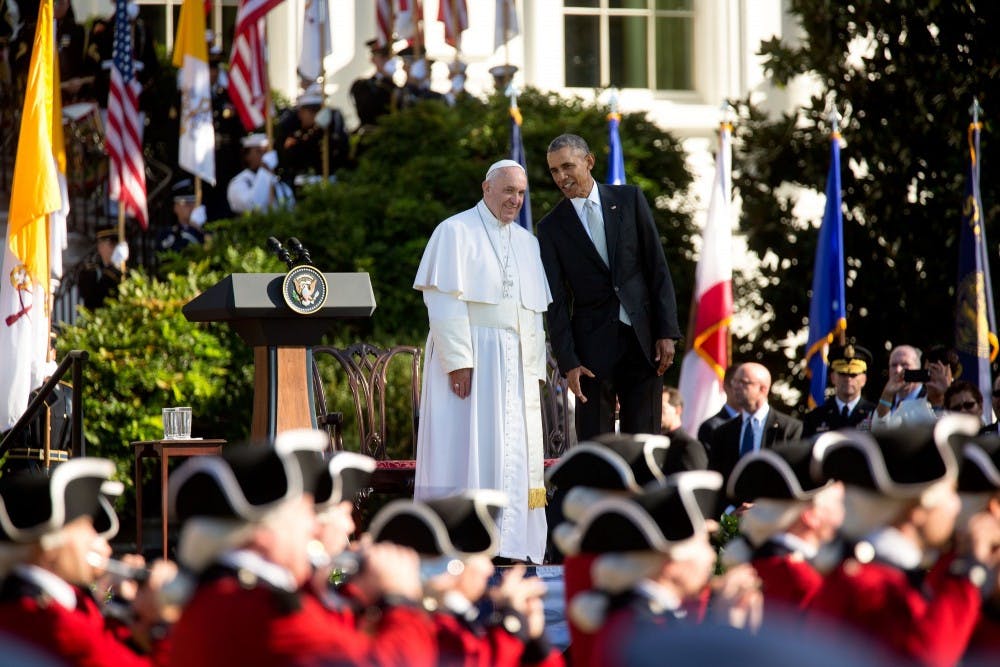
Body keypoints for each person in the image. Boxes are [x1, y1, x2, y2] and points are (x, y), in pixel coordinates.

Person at [167, 437, 436, 667]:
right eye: (304, 513)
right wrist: (401, 599)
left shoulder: (237, 596)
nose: (312, 526)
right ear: (263, 534)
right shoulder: (256, 610)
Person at [413, 159, 551, 565]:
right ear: (486, 188)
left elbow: (534, 314)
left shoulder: (528, 242)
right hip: (474, 358)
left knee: (511, 453)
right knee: (469, 445)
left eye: (521, 193)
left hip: (515, 367)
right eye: (508, 191)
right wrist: (458, 361)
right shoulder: (454, 231)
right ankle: (464, 539)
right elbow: (442, 301)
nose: (515, 200)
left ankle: (511, 544)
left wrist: (535, 370)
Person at [806, 417, 1000, 667]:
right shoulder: (871, 584)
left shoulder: (879, 575)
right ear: (917, 509)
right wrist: (969, 574)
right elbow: (924, 658)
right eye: (950, 493)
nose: (955, 507)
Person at [537, 133, 682, 441]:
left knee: (644, 443)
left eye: (567, 167)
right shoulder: (550, 227)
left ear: (589, 162)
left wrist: (667, 332)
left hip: (643, 344)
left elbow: (656, 267)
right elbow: (555, 300)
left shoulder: (630, 200)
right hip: (591, 353)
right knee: (597, 446)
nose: (561, 177)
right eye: (554, 171)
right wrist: (568, 362)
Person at [0, 458, 179, 665]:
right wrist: (162, 623)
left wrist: (122, 608)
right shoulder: (55, 623)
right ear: (50, 549)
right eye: (85, 527)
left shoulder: (40, 606)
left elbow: (106, 649)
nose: (98, 540)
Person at [368, 490, 564, 667]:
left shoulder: (460, 625)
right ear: (450, 567)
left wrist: (537, 646)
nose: (488, 570)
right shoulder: (425, 630)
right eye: (480, 560)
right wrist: (512, 623)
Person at [724, 441, 845, 619]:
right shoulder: (810, 583)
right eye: (836, 503)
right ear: (810, 515)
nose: (841, 512)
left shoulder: (740, 574)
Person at [706, 362, 803, 485]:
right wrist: (731, 505)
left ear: (763, 389)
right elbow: (716, 480)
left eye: (743, 382)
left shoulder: (790, 429)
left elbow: (793, 477)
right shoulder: (722, 432)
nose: (736, 387)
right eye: (734, 381)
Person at [275, 86, 349, 186]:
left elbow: (341, 152)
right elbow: (292, 154)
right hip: (305, 184)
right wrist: (316, 130)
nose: (299, 116)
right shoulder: (300, 133)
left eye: (302, 112)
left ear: (313, 113)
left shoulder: (332, 130)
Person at [802, 344, 876, 436]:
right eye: (842, 374)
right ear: (833, 377)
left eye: (853, 375)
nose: (848, 379)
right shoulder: (814, 418)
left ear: (864, 379)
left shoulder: (875, 415)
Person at [226, 133, 295, 214]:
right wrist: (265, 169)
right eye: (259, 151)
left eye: (268, 151)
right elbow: (253, 205)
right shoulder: (240, 182)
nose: (265, 155)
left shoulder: (281, 185)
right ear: (247, 156)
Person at [869, 344, 927, 428]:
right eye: (894, 365)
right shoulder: (881, 401)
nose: (898, 370)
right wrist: (887, 395)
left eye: (904, 365)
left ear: (917, 368)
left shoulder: (928, 399)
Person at [349, 38, 399, 129]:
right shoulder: (363, 86)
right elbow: (367, 114)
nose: (388, 60)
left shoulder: (400, 88)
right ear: (372, 59)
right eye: (383, 57)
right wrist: (386, 80)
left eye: (391, 57)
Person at [77, 225, 128, 310]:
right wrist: (112, 270)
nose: (115, 249)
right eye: (112, 244)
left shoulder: (125, 270)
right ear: (100, 247)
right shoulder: (91, 271)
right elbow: (92, 299)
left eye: (117, 245)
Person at [660, 387, 708, 471]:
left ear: (678, 410)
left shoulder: (689, 446)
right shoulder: (653, 441)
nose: (657, 413)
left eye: (662, 408)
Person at [696, 363, 742, 445]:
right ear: (725, 386)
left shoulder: (756, 425)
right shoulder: (711, 427)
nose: (743, 389)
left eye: (748, 384)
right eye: (737, 384)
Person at [156, 179, 205, 253]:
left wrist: (200, 230)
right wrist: (192, 229)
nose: (191, 207)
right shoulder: (167, 234)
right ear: (175, 207)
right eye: (186, 203)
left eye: (194, 202)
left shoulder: (207, 232)